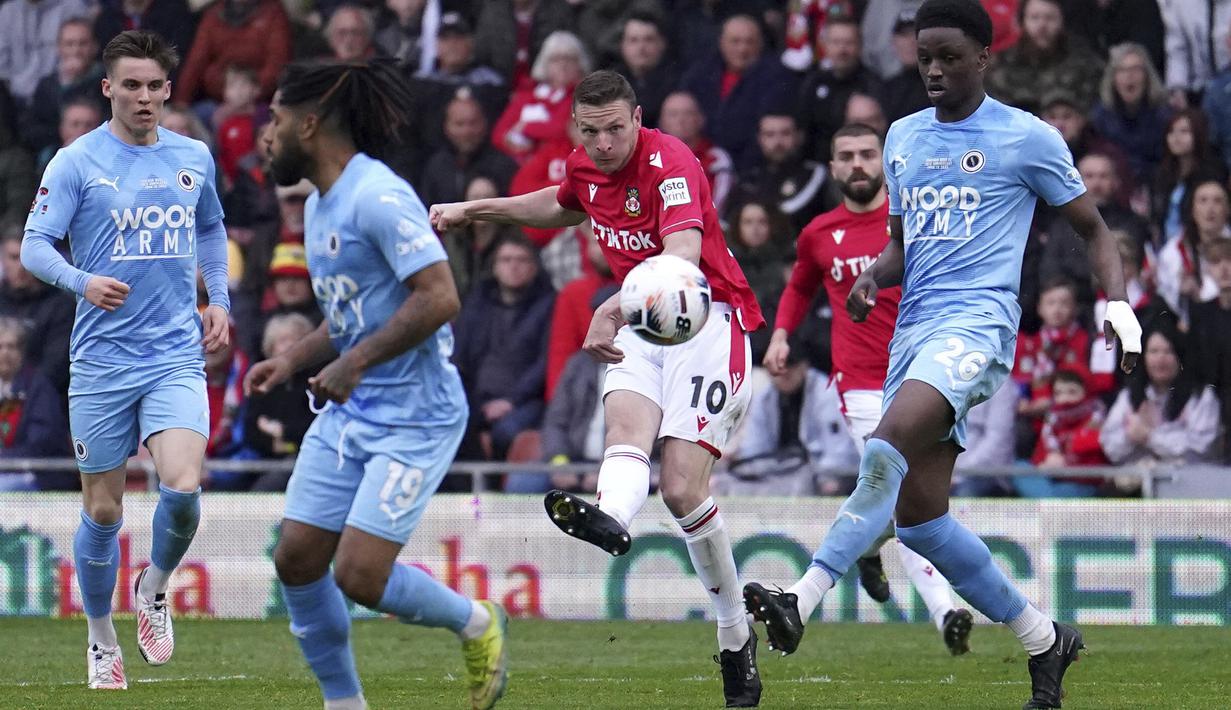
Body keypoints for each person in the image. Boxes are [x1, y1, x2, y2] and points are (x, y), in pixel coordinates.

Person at [739, 4, 1143, 709]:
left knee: (885, 442)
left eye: (948, 56)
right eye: (925, 55)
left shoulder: (1026, 138)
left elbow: (1094, 230)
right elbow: (903, 241)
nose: (932, 68)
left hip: (976, 329)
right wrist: (872, 274)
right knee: (921, 521)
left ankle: (801, 596)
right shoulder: (900, 138)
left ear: (983, 58)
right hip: (912, 336)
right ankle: (1045, 638)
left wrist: (1119, 310)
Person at [430, 69, 767, 707]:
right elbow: (560, 204)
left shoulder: (671, 161)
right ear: (576, 130)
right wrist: (478, 210)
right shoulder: (585, 166)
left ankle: (733, 633)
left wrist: (608, 306)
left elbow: (682, 261)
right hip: (642, 319)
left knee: (680, 488)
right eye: (592, 132)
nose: (606, 143)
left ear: (637, 117)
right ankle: (611, 517)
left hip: (704, 316)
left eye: (616, 128)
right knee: (625, 432)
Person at [246, 59, 508, 710]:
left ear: (310, 123)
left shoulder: (378, 196)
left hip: (416, 414)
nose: (265, 135)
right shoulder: (319, 205)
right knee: (297, 558)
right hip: (352, 409)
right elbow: (351, 316)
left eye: (275, 120)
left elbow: (440, 297)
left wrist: (355, 362)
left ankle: (477, 623)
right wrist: (295, 357)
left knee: (359, 575)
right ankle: (345, 704)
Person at [20, 30, 232, 689]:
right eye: (130, 85)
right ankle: (99, 638)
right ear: (108, 88)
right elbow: (33, 247)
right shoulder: (76, 162)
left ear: (169, 89)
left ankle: (156, 586)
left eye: (154, 86)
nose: (144, 97)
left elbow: (209, 227)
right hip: (102, 362)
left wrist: (218, 297)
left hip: (173, 353)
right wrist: (81, 282)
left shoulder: (193, 155)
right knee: (104, 512)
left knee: (185, 485)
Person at [753, 123, 972, 656]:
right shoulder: (819, 233)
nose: (857, 164)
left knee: (902, 498)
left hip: (921, 375)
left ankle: (869, 549)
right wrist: (781, 333)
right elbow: (801, 284)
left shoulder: (914, 222)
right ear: (831, 167)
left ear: (885, 161)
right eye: (846, 155)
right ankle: (946, 612)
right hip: (860, 383)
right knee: (902, 491)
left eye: (867, 154)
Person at [1101, 317, 1221, 465]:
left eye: (1168, 351)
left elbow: (1201, 449)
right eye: (1153, 351)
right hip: (1137, 482)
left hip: (1190, 483)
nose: (1160, 358)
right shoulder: (1129, 396)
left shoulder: (1200, 396)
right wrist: (1130, 436)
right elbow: (1109, 445)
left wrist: (1150, 437)